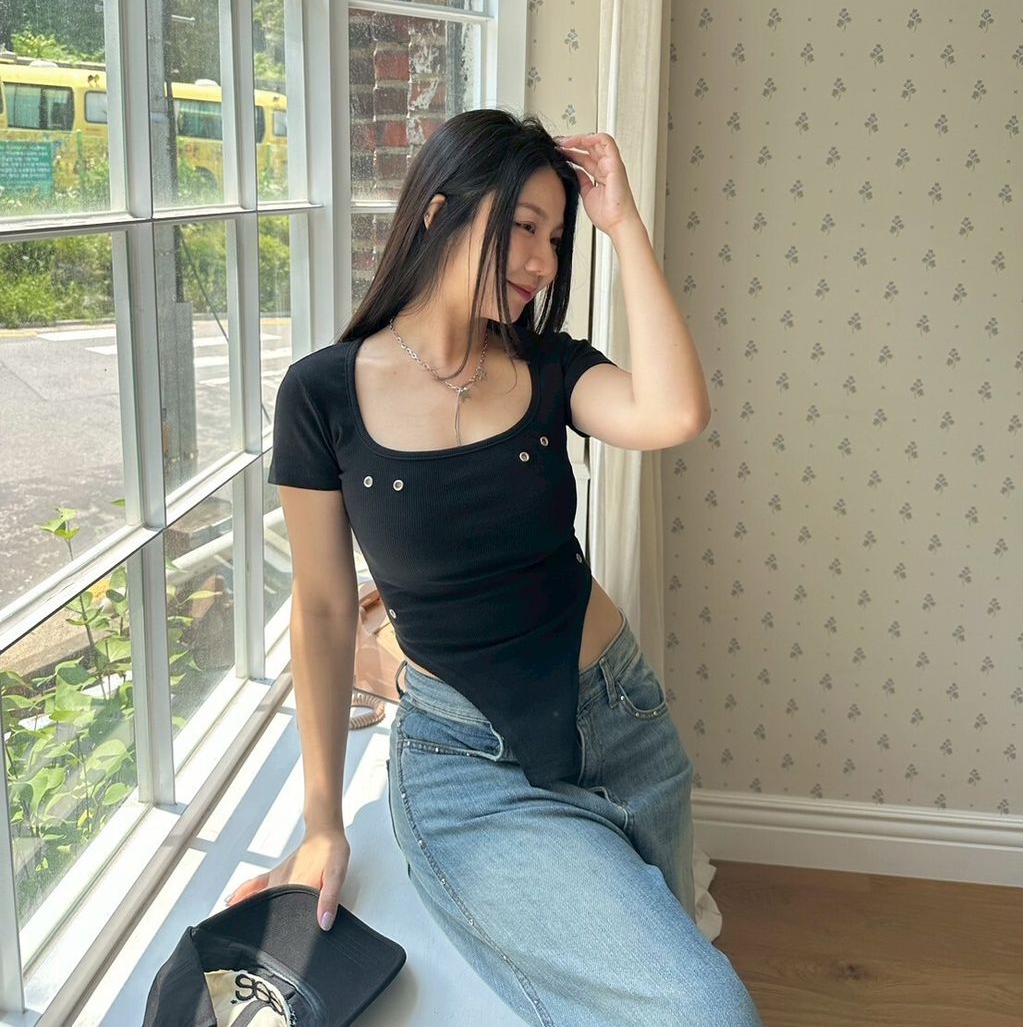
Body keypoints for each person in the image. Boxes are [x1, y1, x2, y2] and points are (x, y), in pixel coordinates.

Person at [225, 110, 763, 1025]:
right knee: (709, 1009)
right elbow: (320, 611)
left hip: (628, 723)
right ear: (441, 212)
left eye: (557, 238)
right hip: (473, 768)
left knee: (675, 958)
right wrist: (322, 823)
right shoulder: (322, 393)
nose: (545, 261)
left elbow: (675, 412)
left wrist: (623, 224)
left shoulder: (548, 367)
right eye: (524, 227)